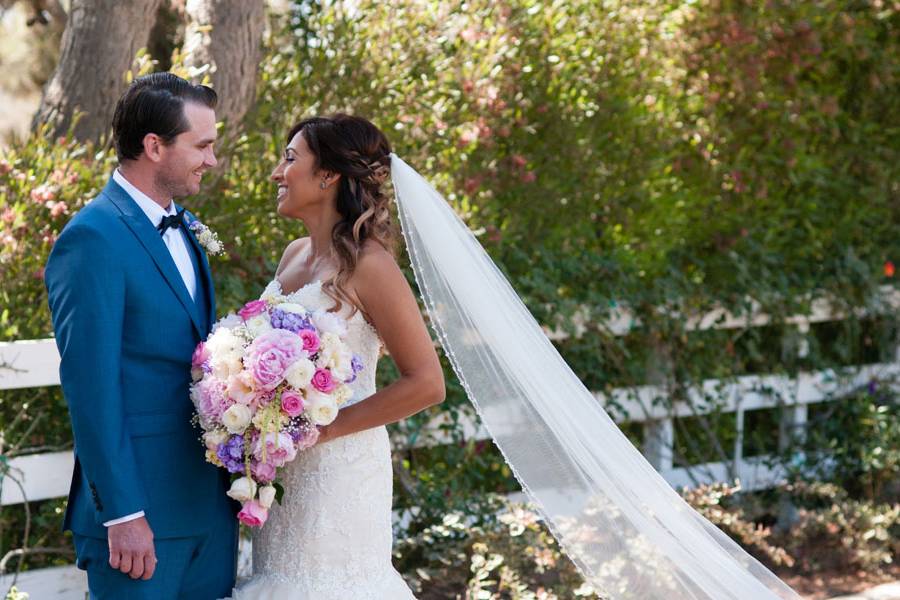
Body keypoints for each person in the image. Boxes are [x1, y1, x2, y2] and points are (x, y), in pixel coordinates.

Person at [230, 114, 445, 599]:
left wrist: (322, 429)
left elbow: (427, 383)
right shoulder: (294, 255)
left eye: (289, 159)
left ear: (327, 176)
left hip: (339, 470)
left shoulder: (372, 267)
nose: (276, 174)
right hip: (282, 471)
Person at [45, 72, 237, 599]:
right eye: (202, 146)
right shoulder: (91, 239)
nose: (212, 160)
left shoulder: (189, 227)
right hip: (140, 520)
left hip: (209, 507)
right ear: (154, 146)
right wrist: (124, 512)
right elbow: (91, 388)